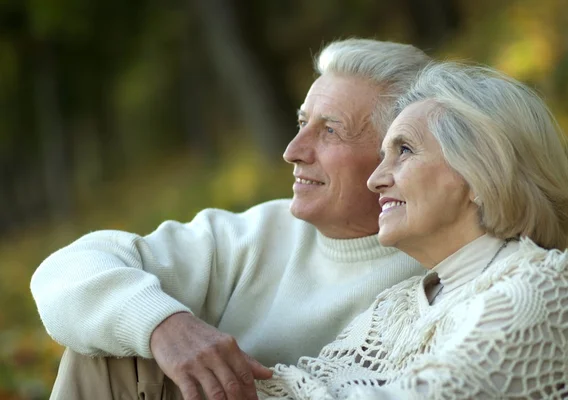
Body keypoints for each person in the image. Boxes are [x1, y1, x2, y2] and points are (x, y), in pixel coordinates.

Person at [30, 39, 431, 400]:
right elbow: (66, 272)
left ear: (400, 153)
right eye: (301, 123)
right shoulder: (254, 234)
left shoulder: (449, 260)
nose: (293, 150)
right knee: (106, 350)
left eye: (329, 131)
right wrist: (162, 325)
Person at [255, 62, 568, 399]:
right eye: (382, 156)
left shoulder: (542, 288)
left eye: (403, 150)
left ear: (481, 176)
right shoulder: (395, 308)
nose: (375, 181)